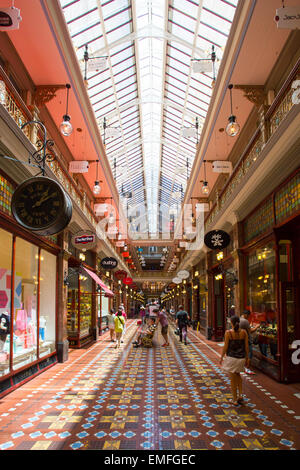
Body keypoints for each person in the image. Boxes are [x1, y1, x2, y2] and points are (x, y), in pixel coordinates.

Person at [220, 315, 249, 406]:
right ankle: (240, 395)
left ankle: (234, 399)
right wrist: (247, 358)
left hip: (232, 358)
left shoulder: (228, 333)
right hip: (241, 358)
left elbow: (225, 346)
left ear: (231, 323)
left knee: (233, 379)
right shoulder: (244, 332)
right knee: (238, 375)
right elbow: (246, 347)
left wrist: (221, 357)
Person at [240, 309, 259, 375]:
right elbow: (250, 331)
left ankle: (244, 367)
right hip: (247, 340)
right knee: (249, 354)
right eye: (248, 316)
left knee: (244, 354)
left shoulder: (239, 319)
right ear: (246, 315)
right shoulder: (245, 321)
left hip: (241, 340)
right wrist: (257, 327)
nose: (248, 317)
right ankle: (247, 369)